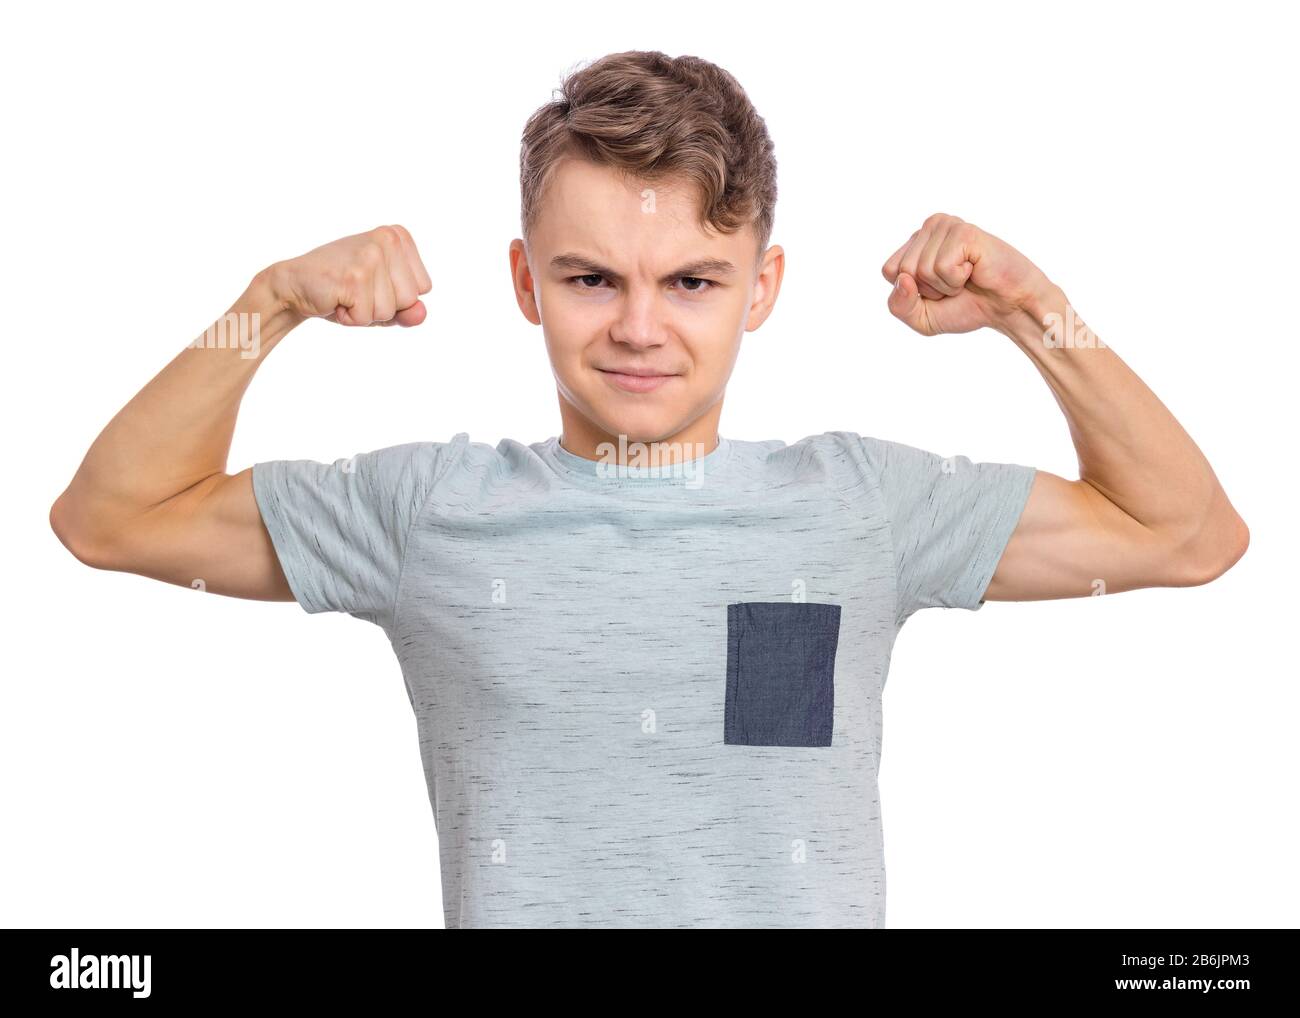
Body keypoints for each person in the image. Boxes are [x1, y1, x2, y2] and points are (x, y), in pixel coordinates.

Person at [48, 50, 1248, 929]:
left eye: (690, 282)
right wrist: (271, 303)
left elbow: (1189, 535)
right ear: (524, 281)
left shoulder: (862, 503)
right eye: (588, 278)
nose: (636, 329)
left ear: (761, 286)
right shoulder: (423, 510)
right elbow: (107, 519)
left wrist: (1038, 310)